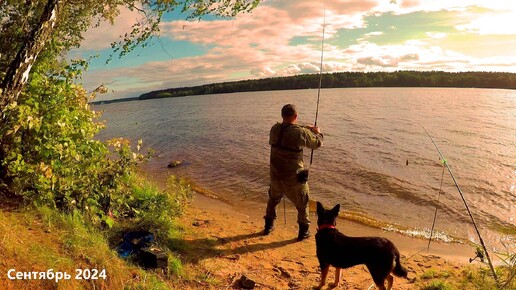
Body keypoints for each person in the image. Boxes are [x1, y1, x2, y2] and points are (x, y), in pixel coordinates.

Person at [263, 104, 323, 241]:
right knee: (303, 204)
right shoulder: (300, 133)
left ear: (282, 115)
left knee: (272, 200)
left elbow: (287, 129)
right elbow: (317, 144)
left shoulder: (274, 129)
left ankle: (268, 226)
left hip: (275, 176)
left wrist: (305, 128)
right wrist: (317, 132)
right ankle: (303, 231)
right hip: (293, 179)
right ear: (296, 116)